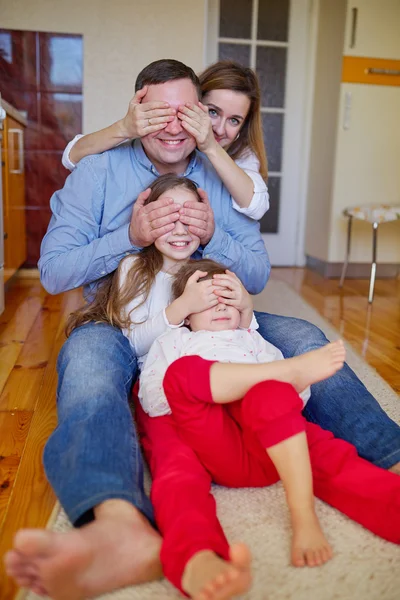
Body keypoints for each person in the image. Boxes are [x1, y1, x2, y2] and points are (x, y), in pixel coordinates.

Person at [4, 59, 399, 600]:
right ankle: (117, 523)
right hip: (123, 319)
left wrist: (213, 238)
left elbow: (256, 274)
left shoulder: (223, 171)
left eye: (186, 112)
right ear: (137, 105)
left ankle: (390, 456)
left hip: (213, 321)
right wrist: (130, 233)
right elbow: (53, 273)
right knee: (88, 366)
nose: (174, 125)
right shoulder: (99, 170)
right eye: (159, 111)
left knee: (306, 339)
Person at [136, 258, 400, 598]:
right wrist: (225, 381)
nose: (220, 306)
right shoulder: (175, 343)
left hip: (271, 447)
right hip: (209, 441)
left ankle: (304, 515)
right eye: (208, 300)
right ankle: (198, 560)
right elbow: (155, 401)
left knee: (305, 428)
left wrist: (275, 379)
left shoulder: (254, 341)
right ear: (186, 315)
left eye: (228, 299)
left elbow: (296, 403)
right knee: (182, 388)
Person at [62, 60, 269, 221]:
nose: (219, 128)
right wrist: (124, 128)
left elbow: (256, 206)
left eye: (234, 120)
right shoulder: (150, 137)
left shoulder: (243, 155)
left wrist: (211, 147)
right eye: (213, 112)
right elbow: (71, 157)